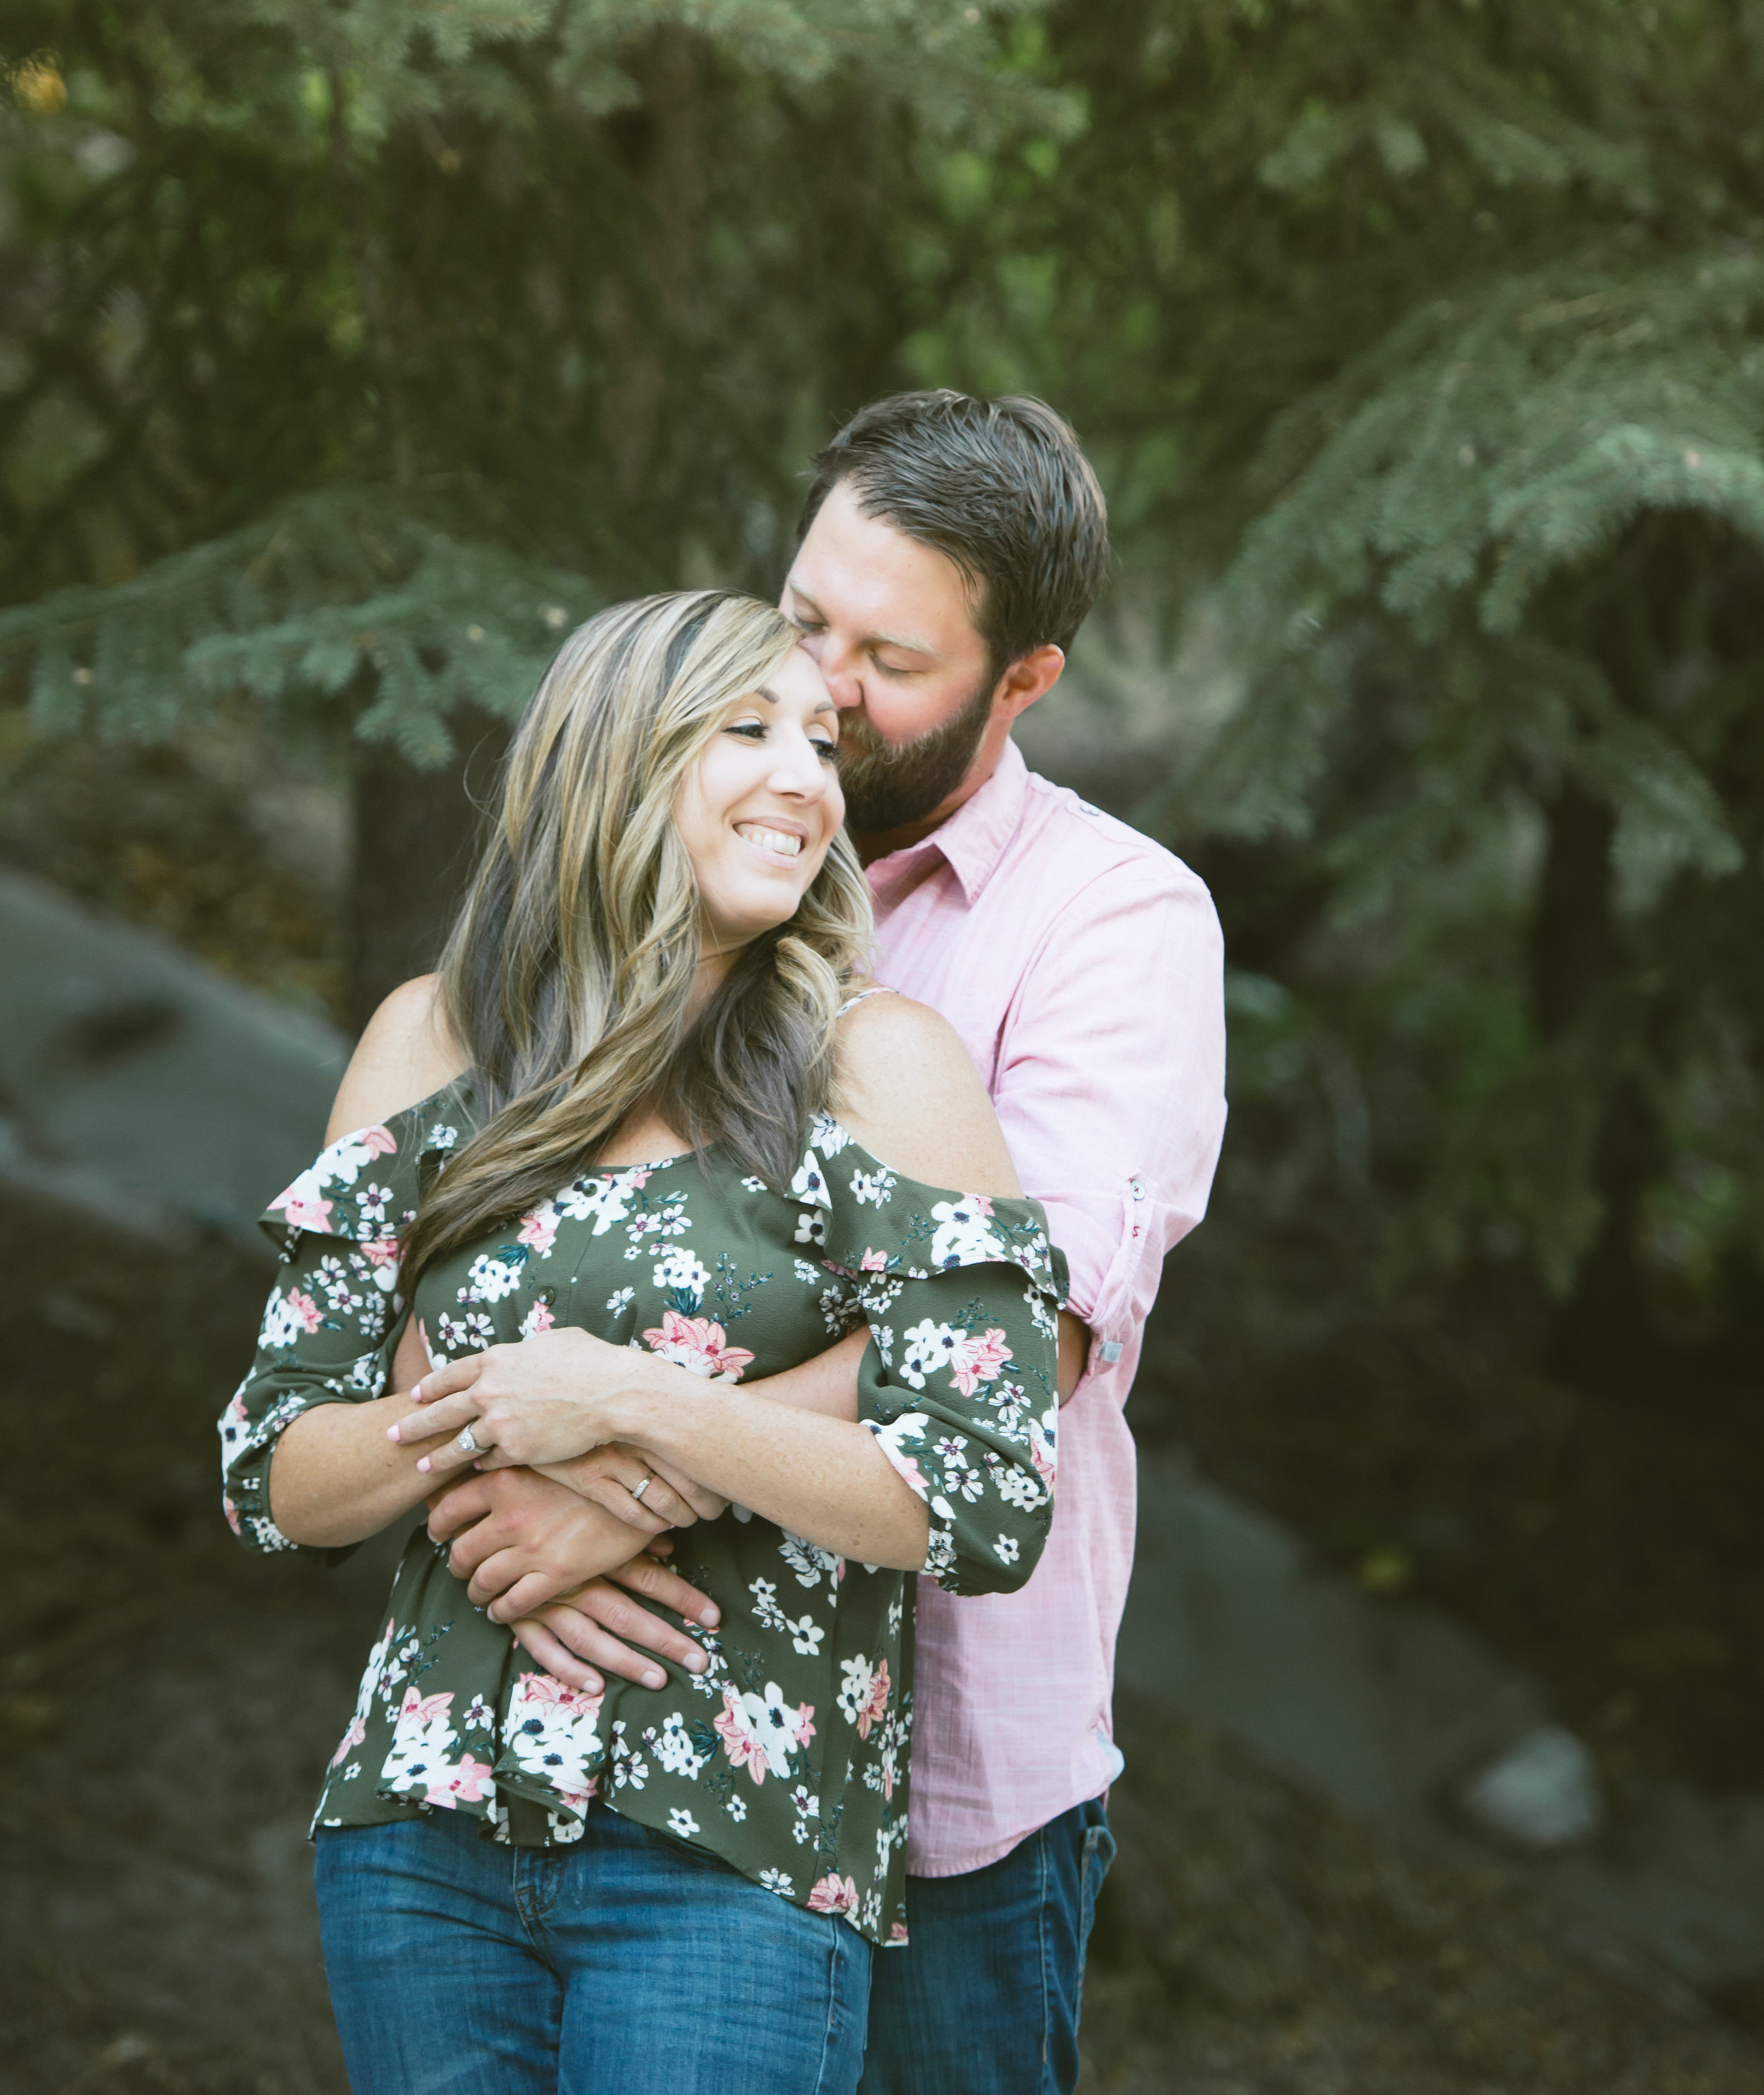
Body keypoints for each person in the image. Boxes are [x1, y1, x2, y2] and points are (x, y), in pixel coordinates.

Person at [427, 393, 1226, 2095]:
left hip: (946, 1775)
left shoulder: (1111, 923)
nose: (826, 696)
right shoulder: (660, 862)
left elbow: (1035, 1337)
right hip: (631, 1742)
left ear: (1022, 682)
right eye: (804, 622)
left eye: (892, 658)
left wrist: (620, 1451)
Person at [221, 588, 1065, 2095]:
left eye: (819, 741)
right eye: (747, 729)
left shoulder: (874, 1067)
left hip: (727, 1855)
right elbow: (279, 1471)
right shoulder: (436, 1040)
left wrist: (626, 1412)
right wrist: (497, 1432)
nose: (806, 776)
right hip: (421, 1833)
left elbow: (984, 1491)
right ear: (614, 759)